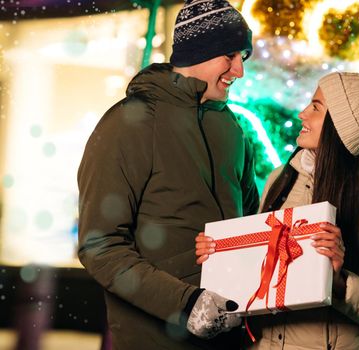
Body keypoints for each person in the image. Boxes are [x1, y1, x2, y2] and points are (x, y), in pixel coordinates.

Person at [196, 65, 359, 349]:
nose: (302, 113)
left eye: (315, 107)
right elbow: (260, 277)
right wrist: (220, 255)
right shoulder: (280, 179)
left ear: (340, 125)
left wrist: (339, 281)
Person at [77, 1, 259, 349]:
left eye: (243, 58)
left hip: (231, 335)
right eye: (231, 56)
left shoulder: (232, 130)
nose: (239, 71)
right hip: (155, 340)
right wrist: (185, 303)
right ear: (200, 52)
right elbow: (100, 245)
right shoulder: (131, 123)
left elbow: (250, 226)